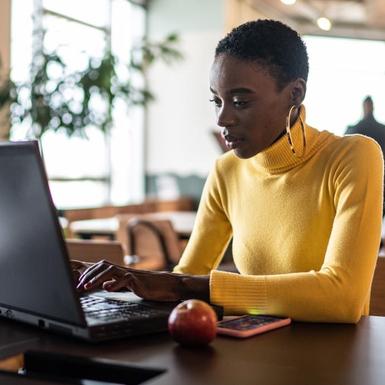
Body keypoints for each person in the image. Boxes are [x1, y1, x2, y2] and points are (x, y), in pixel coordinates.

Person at [75, 19, 384, 323]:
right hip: (249, 355)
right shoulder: (227, 170)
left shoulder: (352, 156)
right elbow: (186, 278)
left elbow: (342, 297)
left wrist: (183, 285)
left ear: (295, 94)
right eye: (217, 101)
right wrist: (116, 289)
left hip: (334, 364)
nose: (222, 119)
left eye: (240, 101)